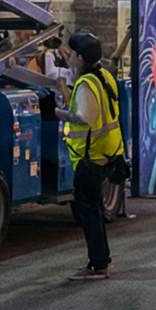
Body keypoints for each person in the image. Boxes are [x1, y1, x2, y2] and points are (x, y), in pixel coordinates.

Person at [61, 31, 121, 280]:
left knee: (89, 213)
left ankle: (98, 264)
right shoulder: (104, 76)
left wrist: (56, 112)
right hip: (107, 153)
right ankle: (101, 261)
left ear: (80, 57)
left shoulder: (87, 83)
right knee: (94, 210)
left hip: (90, 157)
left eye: (72, 54)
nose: (69, 57)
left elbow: (84, 117)